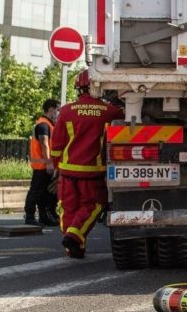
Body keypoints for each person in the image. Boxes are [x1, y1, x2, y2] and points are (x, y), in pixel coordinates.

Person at [50, 70, 122, 258]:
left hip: (67, 170)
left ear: (79, 88)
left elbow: (56, 145)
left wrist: (57, 166)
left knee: (67, 207)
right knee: (94, 204)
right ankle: (74, 236)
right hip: (92, 171)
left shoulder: (66, 111)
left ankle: (74, 246)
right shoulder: (109, 111)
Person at [24, 98, 59, 226]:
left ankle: (44, 216)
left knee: (44, 193)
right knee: (36, 191)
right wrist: (49, 163)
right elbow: (44, 144)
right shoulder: (43, 125)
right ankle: (30, 216)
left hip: (45, 165)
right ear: (51, 109)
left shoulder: (48, 124)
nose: (59, 113)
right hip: (42, 165)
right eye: (58, 110)